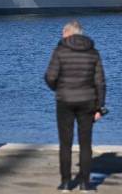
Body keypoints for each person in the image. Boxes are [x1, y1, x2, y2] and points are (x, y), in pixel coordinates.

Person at [45, 20, 106, 192]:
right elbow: (100, 82)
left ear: (68, 33)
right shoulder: (93, 52)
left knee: (65, 143)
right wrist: (100, 106)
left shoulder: (59, 51)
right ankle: (85, 183)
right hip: (87, 101)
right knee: (85, 143)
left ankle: (65, 182)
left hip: (64, 100)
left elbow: (50, 77)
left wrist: (59, 89)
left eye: (63, 33)